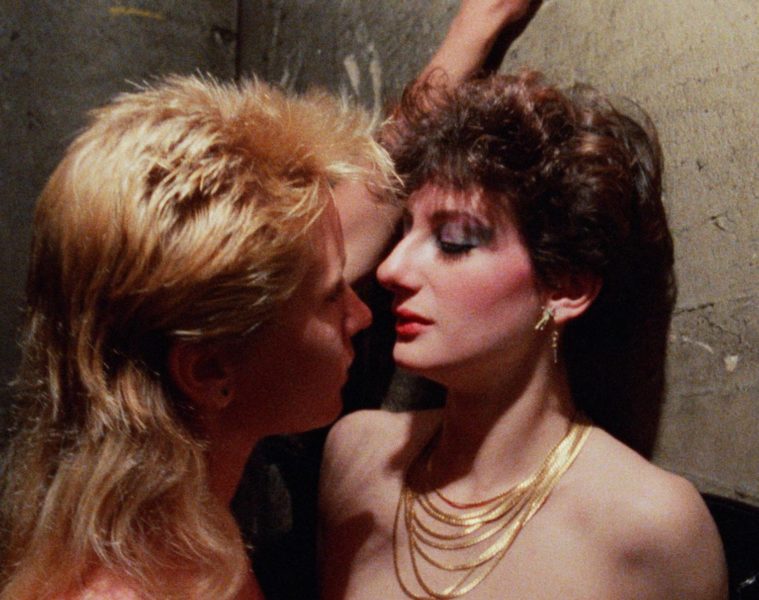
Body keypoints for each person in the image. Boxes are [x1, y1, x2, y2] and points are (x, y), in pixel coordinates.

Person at [0, 3, 535, 599]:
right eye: (331, 298)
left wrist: (474, 31)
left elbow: (359, 207)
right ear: (210, 371)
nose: (362, 311)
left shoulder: (158, 529)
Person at [319, 71, 729, 599]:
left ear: (565, 287)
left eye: (454, 240)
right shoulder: (356, 457)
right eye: (404, 231)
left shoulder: (653, 525)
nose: (391, 268)